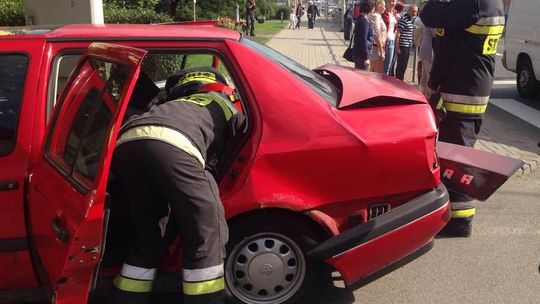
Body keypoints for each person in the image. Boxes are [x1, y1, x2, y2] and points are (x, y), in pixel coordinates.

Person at [110, 67, 245, 304]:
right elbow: (242, 141)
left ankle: (126, 297)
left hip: (126, 142)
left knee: (150, 233)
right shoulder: (225, 101)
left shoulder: (174, 100)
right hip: (174, 143)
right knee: (206, 227)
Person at [420, 0, 505, 237]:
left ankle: (459, 221)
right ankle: (453, 215)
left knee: (458, 157)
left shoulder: (474, 3)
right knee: (455, 152)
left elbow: (428, 14)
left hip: (463, 90)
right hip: (467, 86)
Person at [394, 4, 418, 80]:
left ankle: (400, 80)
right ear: (409, 10)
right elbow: (398, 34)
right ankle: (398, 81)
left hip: (407, 46)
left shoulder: (410, 20)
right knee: (401, 65)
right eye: (413, 11)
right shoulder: (404, 20)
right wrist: (397, 47)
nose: (415, 13)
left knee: (404, 65)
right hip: (403, 46)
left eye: (416, 12)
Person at [417, 1, 435, 96]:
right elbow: (436, 33)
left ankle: (422, 99)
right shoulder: (431, 18)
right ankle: (428, 101)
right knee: (428, 80)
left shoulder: (428, 17)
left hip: (426, 52)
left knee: (423, 81)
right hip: (429, 53)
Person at [352, 0, 375, 70]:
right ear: (370, 9)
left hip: (359, 53)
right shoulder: (364, 21)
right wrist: (366, 58)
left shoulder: (360, 19)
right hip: (361, 55)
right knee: (363, 75)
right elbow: (363, 40)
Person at [369, 0, 387, 73]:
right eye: (383, 6)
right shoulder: (375, 16)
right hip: (376, 48)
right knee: (378, 73)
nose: (385, 8)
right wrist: (381, 51)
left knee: (375, 72)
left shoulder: (378, 16)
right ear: (378, 6)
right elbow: (377, 35)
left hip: (378, 47)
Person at [382, 0, 399, 75]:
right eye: (391, 1)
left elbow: (395, 28)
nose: (392, 3)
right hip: (384, 42)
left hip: (392, 42)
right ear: (386, 2)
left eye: (394, 1)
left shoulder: (395, 13)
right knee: (383, 67)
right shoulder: (383, 13)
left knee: (388, 67)